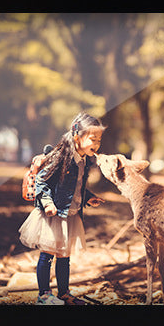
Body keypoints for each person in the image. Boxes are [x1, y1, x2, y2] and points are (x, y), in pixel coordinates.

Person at [19, 112, 105, 305]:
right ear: (77, 137)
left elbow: (76, 186)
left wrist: (88, 197)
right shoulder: (61, 156)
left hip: (70, 213)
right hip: (54, 213)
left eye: (99, 140)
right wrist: (47, 203)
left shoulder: (84, 160)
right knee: (48, 254)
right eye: (93, 139)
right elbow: (42, 181)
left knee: (64, 256)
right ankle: (43, 295)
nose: (97, 144)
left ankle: (64, 293)